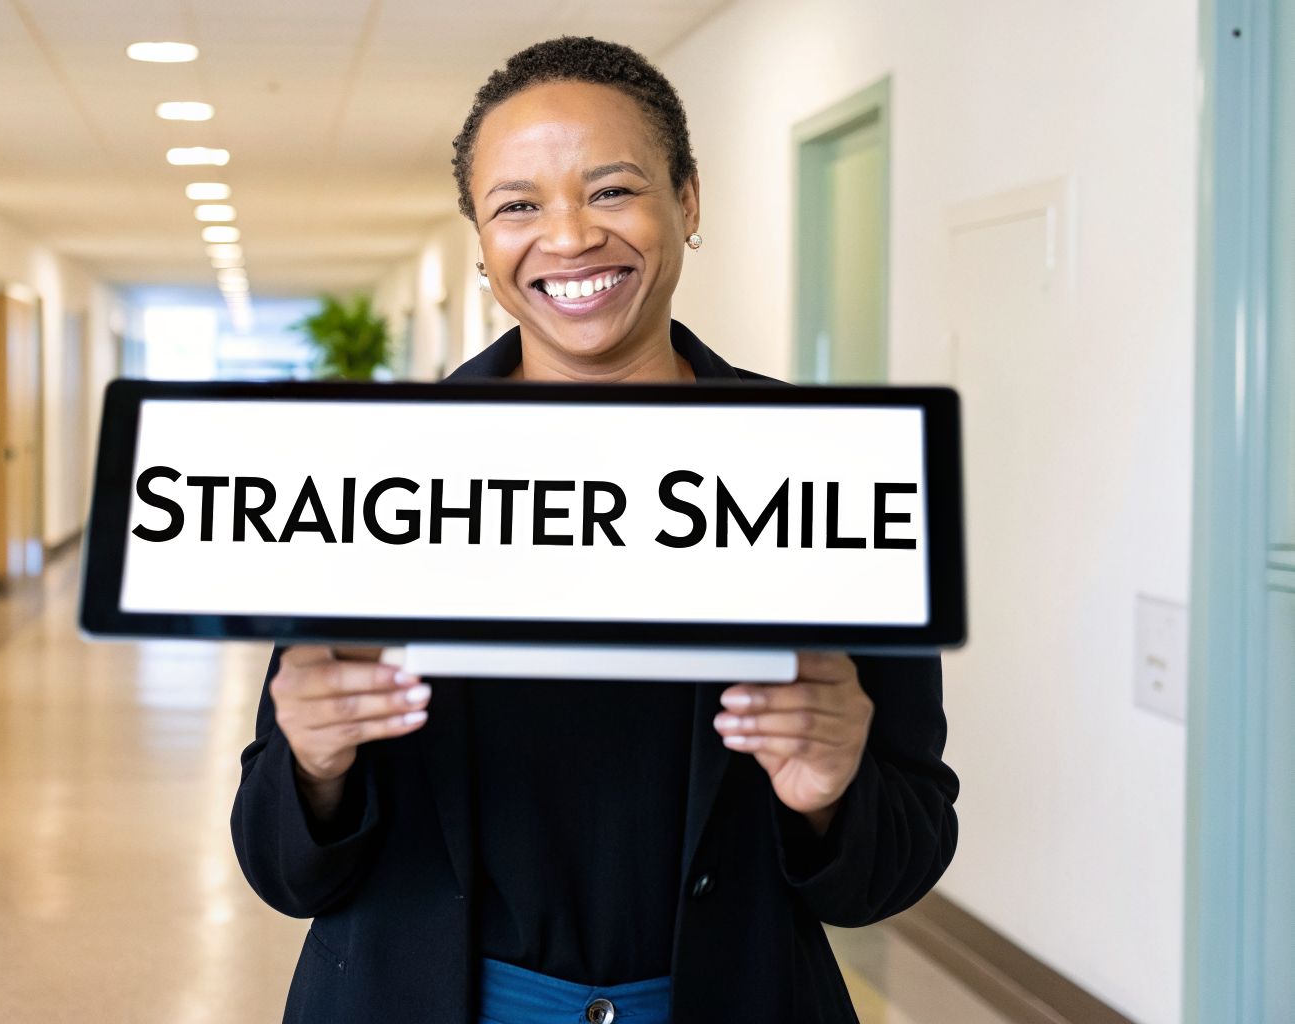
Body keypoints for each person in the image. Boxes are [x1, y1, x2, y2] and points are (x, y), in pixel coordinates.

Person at [230, 36, 958, 1024]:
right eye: (517, 204)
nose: (567, 238)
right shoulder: (377, 472)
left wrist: (830, 793)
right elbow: (280, 867)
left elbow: (892, 864)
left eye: (610, 190)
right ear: (480, 242)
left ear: (687, 201)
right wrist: (310, 767)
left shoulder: (828, 467)